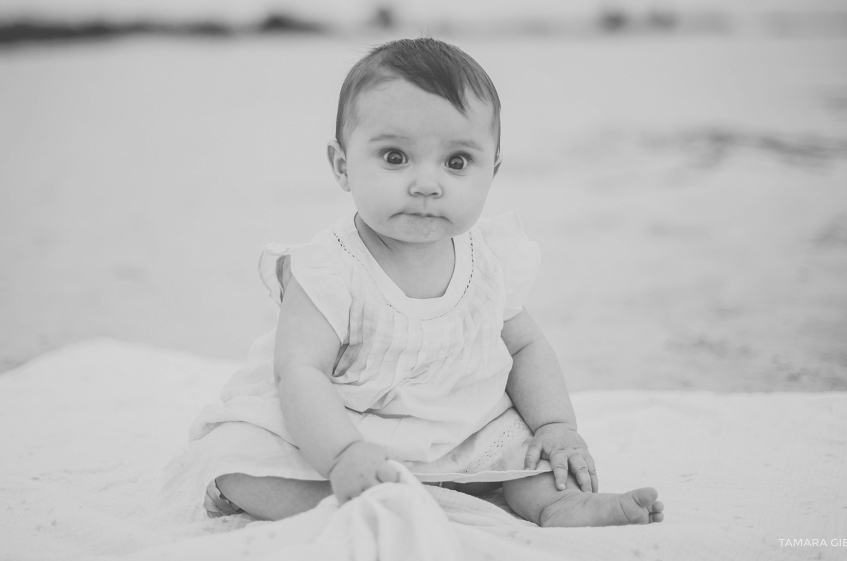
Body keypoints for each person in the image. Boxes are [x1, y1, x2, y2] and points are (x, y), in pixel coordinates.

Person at [188, 38, 664, 527]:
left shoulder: (490, 260)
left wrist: (557, 426)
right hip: (337, 426)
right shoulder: (328, 267)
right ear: (342, 165)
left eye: (456, 162)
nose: (427, 183)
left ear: (491, 172)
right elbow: (300, 373)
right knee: (236, 461)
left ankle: (559, 505)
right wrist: (342, 455)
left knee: (526, 450)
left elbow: (525, 348)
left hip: (458, 426)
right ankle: (363, 500)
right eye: (395, 157)